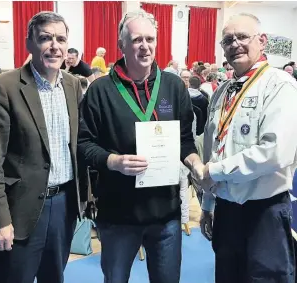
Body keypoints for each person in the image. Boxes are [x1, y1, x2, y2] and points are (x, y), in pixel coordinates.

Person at [78, 8, 204, 283]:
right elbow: (83, 144)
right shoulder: (100, 90)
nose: (144, 46)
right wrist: (113, 161)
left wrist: (195, 162)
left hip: (166, 214)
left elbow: (184, 139)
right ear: (121, 44)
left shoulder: (173, 86)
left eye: (150, 39)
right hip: (118, 214)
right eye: (136, 40)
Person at [198, 13, 297, 283]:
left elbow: (275, 152)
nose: (235, 44)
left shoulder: (280, 85)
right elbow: (214, 148)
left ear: (262, 41)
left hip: (264, 213)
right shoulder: (222, 91)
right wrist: (208, 203)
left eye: (242, 36)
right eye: (228, 40)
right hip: (227, 210)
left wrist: (214, 171)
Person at [0, 11, 85, 283]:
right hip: (19, 211)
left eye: (61, 39)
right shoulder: (5, 87)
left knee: (54, 277)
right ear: (30, 44)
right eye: (45, 38)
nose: (55, 45)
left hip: (64, 206)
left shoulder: (73, 85)